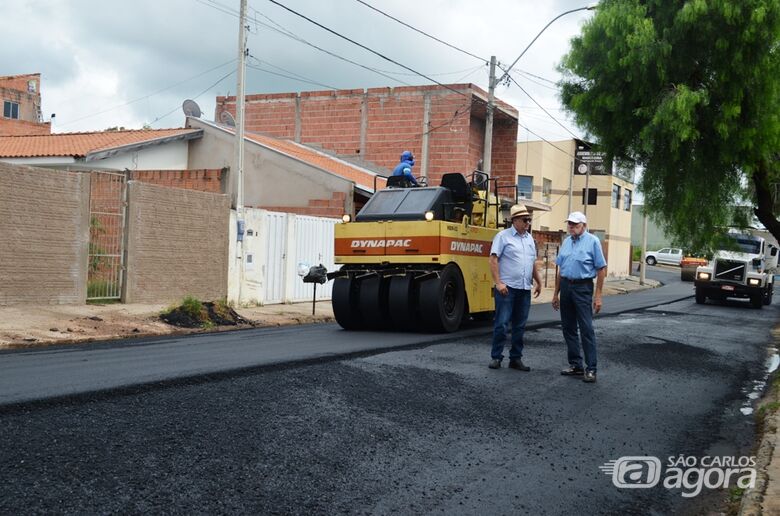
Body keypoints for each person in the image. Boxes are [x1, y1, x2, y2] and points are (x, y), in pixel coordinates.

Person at [552, 211, 607, 383]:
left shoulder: (593, 241)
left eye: (575, 224)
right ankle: (576, 365)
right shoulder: (566, 242)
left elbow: (601, 269)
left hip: (583, 287)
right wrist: (556, 293)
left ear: (583, 225)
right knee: (568, 328)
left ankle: (591, 369)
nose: (571, 227)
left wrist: (598, 295)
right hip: (567, 286)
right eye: (569, 224)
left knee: (586, 329)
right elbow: (560, 270)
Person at [488, 204, 542, 370]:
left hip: (524, 289)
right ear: (515, 220)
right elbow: (493, 259)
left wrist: (538, 281)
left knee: (519, 326)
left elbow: (531, 263)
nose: (528, 223)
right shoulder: (503, 237)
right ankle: (496, 357)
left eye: (529, 220)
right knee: (502, 324)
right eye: (525, 220)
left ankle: (515, 358)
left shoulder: (529, 240)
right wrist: (499, 283)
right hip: (507, 289)